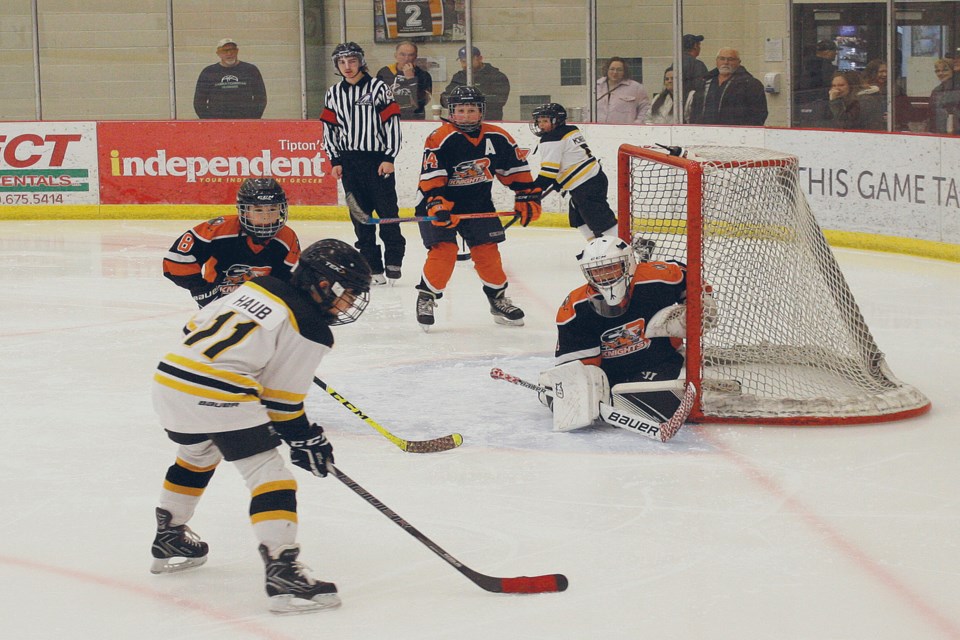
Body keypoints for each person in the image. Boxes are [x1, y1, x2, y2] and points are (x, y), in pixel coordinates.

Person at [149, 238, 372, 614]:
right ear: (323, 284)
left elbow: (193, 326)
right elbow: (282, 404)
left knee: (198, 452)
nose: (350, 303)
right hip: (218, 391)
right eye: (348, 293)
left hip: (169, 381)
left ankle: (169, 535)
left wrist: (249, 358)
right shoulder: (311, 327)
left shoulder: (256, 286)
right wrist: (308, 440)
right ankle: (283, 569)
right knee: (269, 474)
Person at [537, 236, 707, 432]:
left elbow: (694, 282)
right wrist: (583, 392)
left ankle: (622, 402)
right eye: (597, 271)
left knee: (667, 394)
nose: (605, 276)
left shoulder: (660, 277)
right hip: (609, 375)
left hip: (661, 362)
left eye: (611, 267)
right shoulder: (576, 309)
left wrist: (696, 309)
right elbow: (580, 369)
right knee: (566, 392)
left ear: (629, 263)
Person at [414, 85, 541, 331]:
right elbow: (431, 178)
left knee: (487, 253)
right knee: (444, 251)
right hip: (436, 203)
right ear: (451, 112)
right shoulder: (440, 138)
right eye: (460, 110)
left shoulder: (498, 137)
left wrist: (526, 196)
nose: (466, 115)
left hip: (478, 203)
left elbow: (515, 172)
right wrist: (438, 205)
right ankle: (426, 297)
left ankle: (497, 299)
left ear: (481, 111)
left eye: (471, 110)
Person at [321, 42, 405, 285]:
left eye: (352, 61)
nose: (347, 67)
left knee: (388, 214)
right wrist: (335, 159)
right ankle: (371, 265)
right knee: (360, 217)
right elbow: (330, 129)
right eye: (342, 62)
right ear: (337, 65)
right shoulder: (333, 93)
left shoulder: (379, 88)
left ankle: (393, 261)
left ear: (361, 61)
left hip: (377, 162)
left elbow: (392, 125)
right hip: (349, 164)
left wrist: (389, 157)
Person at [162, 178, 300, 308]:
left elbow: (285, 280)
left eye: (272, 209)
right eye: (258, 210)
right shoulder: (218, 229)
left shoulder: (288, 238)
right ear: (245, 212)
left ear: (281, 210)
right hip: (217, 304)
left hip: (260, 307)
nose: (266, 216)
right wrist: (201, 289)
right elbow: (178, 258)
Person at [530, 102, 617, 239]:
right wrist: (561, 179)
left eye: (545, 121)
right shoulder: (571, 130)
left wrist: (534, 191)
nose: (541, 125)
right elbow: (571, 157)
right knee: (578, 216)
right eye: (539, 121)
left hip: (585, 184)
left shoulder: (552, 138)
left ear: (557, 121)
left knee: (601, 221)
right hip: (594, 178)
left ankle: (630, 246)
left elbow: (548, 172)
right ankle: (596, 246)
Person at [687, 48, 768, 125]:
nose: (726, 62)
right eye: (722, 59)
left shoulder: (751, 84)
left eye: (731, 59)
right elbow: (694, 111)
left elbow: (759, 114)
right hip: (706, 133)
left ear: (739, 62)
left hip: (736, 135)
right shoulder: (705, 82)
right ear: (716, 61)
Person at [193, 38, 267, 119]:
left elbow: (261, 98)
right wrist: (209, 121)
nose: (229, 53)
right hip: (217, 123)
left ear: (237, 51)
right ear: (218, 53)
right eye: (225, 50)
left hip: (245, 122)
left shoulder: (250, 70)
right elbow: (199, 101)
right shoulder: (208, 72)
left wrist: (253, 119)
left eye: (232, 50)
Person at [440, 46, 511, 120]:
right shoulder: (459, 77)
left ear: (480, 58)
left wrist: (468, 99)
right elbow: (446, 98)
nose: (465, 65)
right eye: (463, 61)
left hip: (488, 121)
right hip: (461, 122)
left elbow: (499, 101)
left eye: (469, 61)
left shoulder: (496, 76)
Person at [375, 41, 433, 120]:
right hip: (389, 117)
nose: (406, 59)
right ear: (396, 55)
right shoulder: (384, 73)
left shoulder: (423, 75)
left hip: (414, 119)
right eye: (402, 54)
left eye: (411, 55)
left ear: (416, 56)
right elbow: (377, 98)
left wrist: (411, 80)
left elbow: (423, 102)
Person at [595, 57, 651, 124]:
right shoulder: (596, 86)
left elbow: (645, 108)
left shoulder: (636, 88)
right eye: (612, 69)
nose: (615, 72)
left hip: (625, 130)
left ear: (625, 71)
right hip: (599, 129)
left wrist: (638, 123)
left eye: (619, 70)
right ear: (607, 70)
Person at [796, 39, 837, 108]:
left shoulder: (805, 64)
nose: (836, 53)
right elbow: (827, 82)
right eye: (834, 51)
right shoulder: (826, 67)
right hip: (821, 101)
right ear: (827, 52)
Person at [928, 57, 960, 134]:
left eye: (945, 70)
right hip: (939, 132)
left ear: (952, 71)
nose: (941, 73)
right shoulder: (936, 91)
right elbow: (932, 114)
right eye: (938, 71)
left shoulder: (957, 89)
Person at [680, 34, 709, 98]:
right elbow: (702, 87)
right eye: (699, 45)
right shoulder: (698, 64)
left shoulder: (676, 64)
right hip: (693, 102)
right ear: (695, 46)